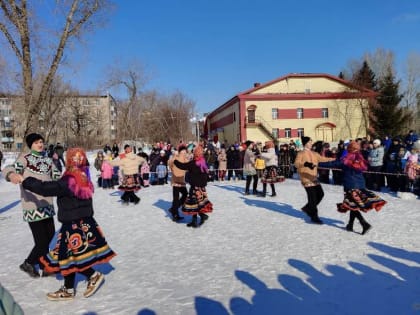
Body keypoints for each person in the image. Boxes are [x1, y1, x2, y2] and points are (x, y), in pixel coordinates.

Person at [21, 147, 116, 300]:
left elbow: (46, 189)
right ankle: (69, 289)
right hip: (81, 221)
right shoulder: (83, 175)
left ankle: (93, 275)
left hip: (73, 224)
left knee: (71, 257)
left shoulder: (70, 179)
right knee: (66, 256)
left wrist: (26, 181)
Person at [2, 133, 61, 278]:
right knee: (41, 241)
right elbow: (8, 169)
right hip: (32, 207)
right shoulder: (25, 159)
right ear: (30, 145)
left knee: (49, 238)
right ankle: (28, 263)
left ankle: (45, 266)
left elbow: (57, 176)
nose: (40, 144)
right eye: (36, 143)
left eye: (41, 142)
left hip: (47, 204)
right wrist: (12, 175)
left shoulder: (47, 159)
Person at [319, 141, 387, 234]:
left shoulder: (345, 160)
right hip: (360, 184)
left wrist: (317, 164)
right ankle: (350, 225)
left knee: (351, 205)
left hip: (350, 185)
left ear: (349, 149)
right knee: (352, 205)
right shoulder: (361, 158)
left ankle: (364, 224)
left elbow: (332, 164)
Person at [294, 136, 335, 224]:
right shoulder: (301, 153)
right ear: (305, 143)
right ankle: (314, 216)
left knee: (320, 194)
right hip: (306, 177)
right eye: (309, 142)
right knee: (312, 198)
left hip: (314, 177)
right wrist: (306, 164)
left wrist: (334, 159)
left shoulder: (314, 153)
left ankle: (308, 208)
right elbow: (296, 164)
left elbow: (323, 159)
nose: (311, 144)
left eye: (311, 142)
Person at [174, 144, 213, 227]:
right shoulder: (203, 162)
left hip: (195, 187)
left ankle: (198, 219)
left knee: (194, 204)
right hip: (201, 188)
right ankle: (200, 217)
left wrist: (175, 161)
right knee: (198, 203)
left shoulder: (193, 163)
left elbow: (182, 166)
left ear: (195, 154)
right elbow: (206, 175)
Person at [168, 145, 188, 221]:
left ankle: (174, 208)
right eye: (183, 151)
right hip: (175, 180)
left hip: (182, 181)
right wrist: (173, 156)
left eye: (185, 152)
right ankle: (175, 214)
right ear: (180, 152)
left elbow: (189, 166)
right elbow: (170, 164)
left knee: (185, 194)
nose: (184, 153)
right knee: (176, 198)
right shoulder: (175, 157)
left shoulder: (185, 159)